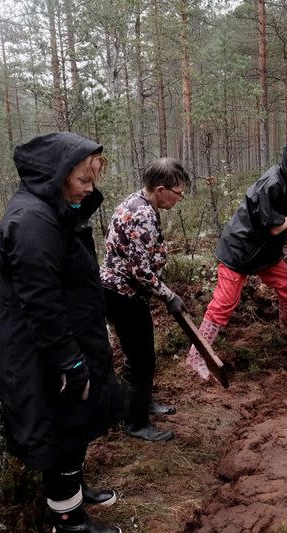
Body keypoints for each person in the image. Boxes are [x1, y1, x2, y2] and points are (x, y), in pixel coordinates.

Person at [0, 132, 123, 533]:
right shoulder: (32, 221)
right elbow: (42, 302)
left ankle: (75, 490)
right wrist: (69, 360)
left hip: (68, 342)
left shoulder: (54, 210)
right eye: (84, 181)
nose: (90, 189)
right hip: (46, 355)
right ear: (57, 174)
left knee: (76, 424)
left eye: (93, 181)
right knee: (61, 434)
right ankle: (68, 521)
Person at [186, 139, 287, 380]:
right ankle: (196, 356)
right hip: (239, 250)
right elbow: (275, 228)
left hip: (264, 252)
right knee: (224, 303)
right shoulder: (271, 185)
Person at [100, 158, 191, 442]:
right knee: (142, 358)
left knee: (139, 353)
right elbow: (141, 273)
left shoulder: (139, 202)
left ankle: (141, 401)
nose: (179, 199)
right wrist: (169, 296)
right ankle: (135, 422)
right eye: (178, 193)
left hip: (122, 292)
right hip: (122, 295)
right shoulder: (142, 216)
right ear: (160, 189)